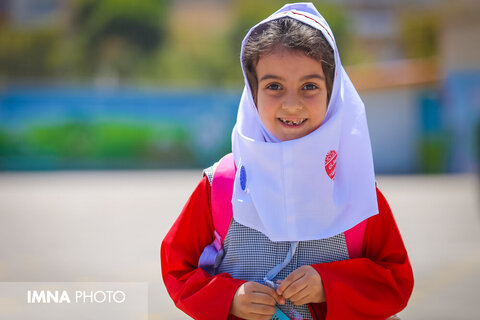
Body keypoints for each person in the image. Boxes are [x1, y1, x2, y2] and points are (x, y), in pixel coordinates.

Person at [161, 3, 414, 320]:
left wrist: (329, 284)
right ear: (252, 93)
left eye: (309, 86)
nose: (291, 105)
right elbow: (177, 269)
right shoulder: (221, 184)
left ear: (332, 93)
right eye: (273, 86)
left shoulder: (357, 188)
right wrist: (230, 298)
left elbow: (396, 280)